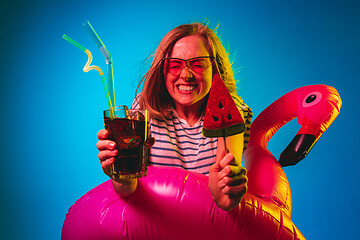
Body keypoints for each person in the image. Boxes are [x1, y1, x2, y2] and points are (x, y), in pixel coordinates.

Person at [96, 22, 252, 211]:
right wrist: (120, 173)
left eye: (199, 64)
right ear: (162, 69)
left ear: (215, 68)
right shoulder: (143, 108)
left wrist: (229, 187)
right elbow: (128, 190)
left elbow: (223, 198)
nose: (186, 75)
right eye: (174, 65)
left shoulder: (230, 107)